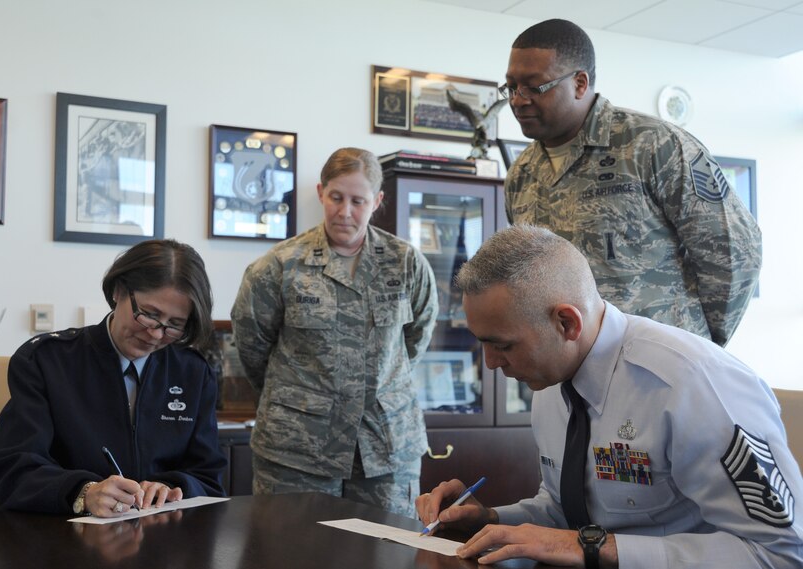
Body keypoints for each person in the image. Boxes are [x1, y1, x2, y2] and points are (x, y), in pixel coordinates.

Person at [416, 225, 802, 568]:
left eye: (502, 345)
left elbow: (782, 552)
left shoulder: (692, 385)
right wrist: (490, 520)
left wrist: (593, 548)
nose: (490, 363)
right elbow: (566, 510)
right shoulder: (550, 377)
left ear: (566, 323)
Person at [501, 18, 761, 347]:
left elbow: (734, 253)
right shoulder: (521, 173)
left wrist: (700, 345)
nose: (518, 100)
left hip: (660, 367)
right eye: (511, 87)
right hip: (567, 373)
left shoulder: (652, 145)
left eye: (534, 87)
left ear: (580, 83)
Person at [231, 147, 438, 517]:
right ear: (320, 193)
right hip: (298, 448)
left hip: (385, 446)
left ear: (377, 201)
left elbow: (416, 338)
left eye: (358, 201)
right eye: (336, 198)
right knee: (291, 554)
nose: (345, 212)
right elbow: (251, 345)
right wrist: (303, 399)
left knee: (388, 554)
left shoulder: (406, 262)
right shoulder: (279, 266)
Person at [0, 239, 227, 516]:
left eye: (174, 325)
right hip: (64, 538)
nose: (156, 335)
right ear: (118, 291)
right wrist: (84, 492)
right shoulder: (46, 361)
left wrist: (173, 487)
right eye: (149, 315)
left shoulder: (193, 373)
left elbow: (209, 478)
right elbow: (14, 469)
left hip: (162, 541)